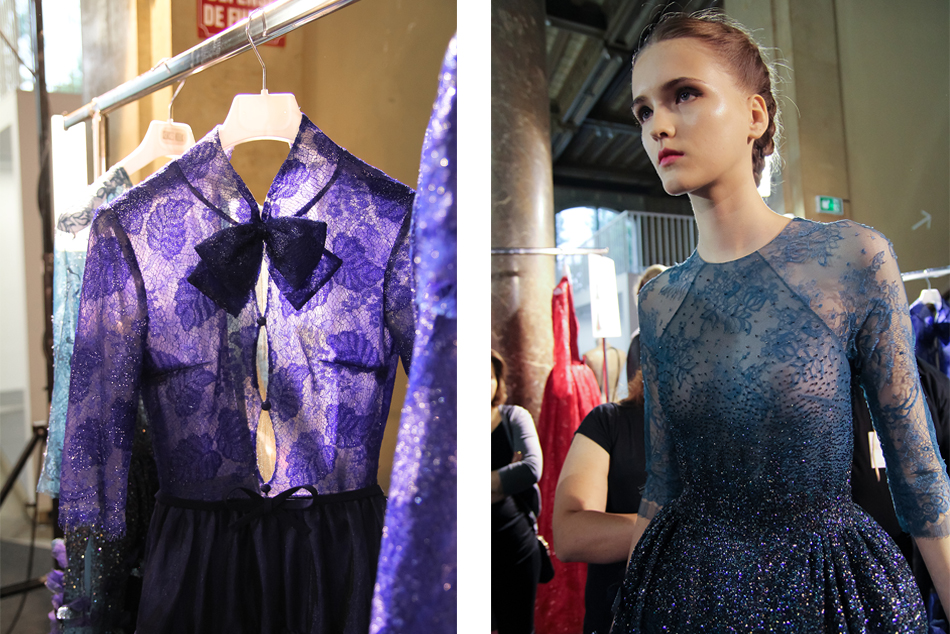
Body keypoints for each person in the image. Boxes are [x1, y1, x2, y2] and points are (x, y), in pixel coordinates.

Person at [612, 10, 950, 632]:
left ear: (755, 115)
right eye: (643, 110)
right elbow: (661, 483)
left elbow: (918, 473)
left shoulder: (851, 258)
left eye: (684, 94)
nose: (658, 125)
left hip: (824, 591)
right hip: (686, 595)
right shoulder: (659, 301)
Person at [552, 368, 647, 634]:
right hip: (617, 613)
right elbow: (571, 536)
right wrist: (686, 526)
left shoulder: (734, 431)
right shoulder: (609, 421)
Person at [491, 349, 544, 634]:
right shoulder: (449, 426)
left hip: (516, 545)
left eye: (488, 377)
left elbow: (530, 468)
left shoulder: (514, 417)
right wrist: (503, 480)